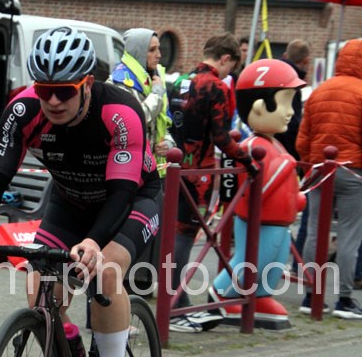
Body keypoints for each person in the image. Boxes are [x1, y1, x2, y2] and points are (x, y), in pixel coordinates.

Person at [0, 27, 161, 357]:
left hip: (132, 198)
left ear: (87, 84)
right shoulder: (23, 109)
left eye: (64, 91)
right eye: (45, 89)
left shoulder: (120, 112)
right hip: (70, 201)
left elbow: (121, 192)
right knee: (41, 295)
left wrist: (94, 242)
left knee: (105, 270)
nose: (52, 101)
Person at [169, 33, 256, 333]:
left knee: (175, 235)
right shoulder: (216, 86)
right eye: (232, 67)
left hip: (176, 166)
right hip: (199, 173)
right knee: (185, 237)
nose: (230, 73)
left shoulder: (179, 81)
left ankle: (175, 302)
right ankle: (176, 306)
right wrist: (247, 160)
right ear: (225, 58)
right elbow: (221, 137)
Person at [211, 59, 307, 324]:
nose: (291, 112)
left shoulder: (276, 144)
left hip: (279, 222)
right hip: (259, 221)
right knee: (251, 259)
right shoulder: (252, 147)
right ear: (260, 107)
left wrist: (296, 198)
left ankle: (260, 294)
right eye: (285, 103)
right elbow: (259, 187)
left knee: (274, 261)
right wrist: (286, 166)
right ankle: (220, 293)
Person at [296, 39, 362, 320]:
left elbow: (303, 139)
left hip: (319, 170)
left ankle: (311, 295)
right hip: (352, 170)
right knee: (350, 234)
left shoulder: (319, 91)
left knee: (314, 231)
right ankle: (344, 299)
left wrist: (310, 164)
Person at [109, 28, 174, 175]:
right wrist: (156, 95)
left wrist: (168, 143)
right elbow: (133, 120)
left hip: (153, 167)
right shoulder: (119, 82)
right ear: (137, 52)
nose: (159, 55)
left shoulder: (155, 78)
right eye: (152, 50)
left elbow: (162, 122)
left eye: (159, 48)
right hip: (127, 166)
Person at [275, 39, 310, 160]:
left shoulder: (275, 75)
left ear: (285, 55)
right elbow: (291, 123)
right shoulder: (293, 83)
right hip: (285, 151)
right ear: (306, 61)